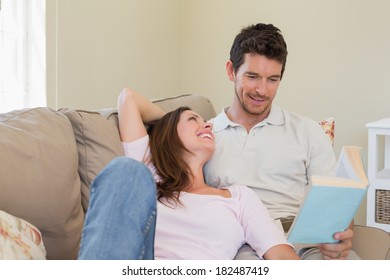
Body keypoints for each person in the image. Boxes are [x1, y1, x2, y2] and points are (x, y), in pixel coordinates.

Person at [79, 88, 300, 260]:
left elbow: (280, 255)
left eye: (207, 124)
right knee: (126, 170)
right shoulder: (149, 173)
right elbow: (129, 98)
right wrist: (170, 122)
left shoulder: (240, 198)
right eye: (194, 119)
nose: (207, 126)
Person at [203, 23, 358, 260]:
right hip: (242, 244)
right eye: (252, 77)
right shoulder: (205, 136)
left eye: (272, 79)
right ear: (231, 71)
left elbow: (335, 205)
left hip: (305, 241)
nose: (262, 91)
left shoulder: (308, 132)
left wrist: (342, 233)